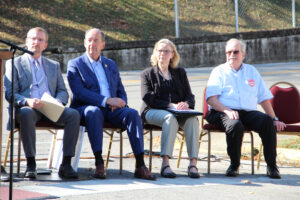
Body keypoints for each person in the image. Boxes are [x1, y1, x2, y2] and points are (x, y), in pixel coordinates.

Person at [67, 28, 156, 180]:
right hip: (86, 108)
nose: (92, 44)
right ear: (84, 43)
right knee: (93, 112)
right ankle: (99, 162)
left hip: (112, 109)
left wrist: (121, 102)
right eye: (89, 40)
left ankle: (140, 165)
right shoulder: (75, 64)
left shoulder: (110, 64)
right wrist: (106, 100)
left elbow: (120, 89)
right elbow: (79, 92)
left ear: (103, 45)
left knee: (133, 114)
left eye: (96, 40)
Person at [4, 27, 80, 179]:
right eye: (33, 39)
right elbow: (10, 92)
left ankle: (66, 164)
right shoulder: (14, 63)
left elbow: (63, 91)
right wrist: (27, 101)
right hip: (28, 108)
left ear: (45, 45)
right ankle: (31, 165)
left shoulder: (53, 65)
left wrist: (57, 102)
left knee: (74, 114)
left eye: (40, 40)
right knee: (26, 113)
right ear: (26, 41)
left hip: (50, 108)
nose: (36, 43)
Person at [205, 38, 286, 179]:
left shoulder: (252, 71)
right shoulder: (219, 71)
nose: (231, 55)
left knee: (266, 121)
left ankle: (272, 167)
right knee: (235, 125)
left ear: (243, 54)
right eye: (228, 52)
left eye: (235, 52)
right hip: (221, 111)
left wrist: (274, 119)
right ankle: (234, 165)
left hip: (247, 112)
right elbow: (211, 99)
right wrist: (227, 111)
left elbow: (263, 98)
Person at [140, 39, 200, 178]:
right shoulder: (147, 73)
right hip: (152, 111)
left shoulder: (180, 72)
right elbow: (147, 97)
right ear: (155, 53)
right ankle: (165, 163)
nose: (162, 54)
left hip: (178, 112)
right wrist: (170, 105)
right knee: (170, 118)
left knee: (192, 120)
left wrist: (186, 104)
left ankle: (193, 164)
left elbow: (190, 96)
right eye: (159, 51)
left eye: (166, 51)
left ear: (172, 54)